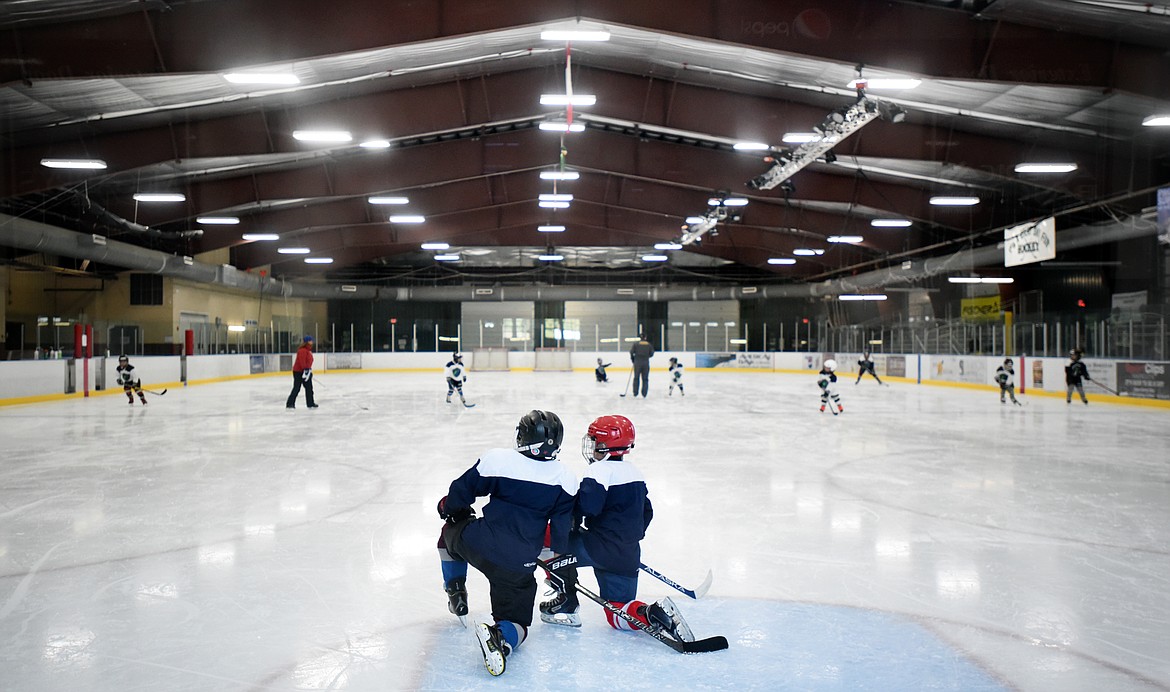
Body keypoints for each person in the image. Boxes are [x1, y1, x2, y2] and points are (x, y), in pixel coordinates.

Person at [436, 410, 578, 677]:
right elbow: (560, 536)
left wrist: (449, 508)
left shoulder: (498, 460)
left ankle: (455, 590)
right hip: (518, 564)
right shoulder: (566, 479)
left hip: (478, 543)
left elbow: (461, 491)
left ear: (524, 436)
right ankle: (501, 638)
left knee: (448, 535)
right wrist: (562, 575)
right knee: (518, 624)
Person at [539, 415, 693, 642]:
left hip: (595, 547)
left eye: (593, 440)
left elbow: (588, 507)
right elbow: (647, 513)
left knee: (541, 539)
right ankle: (652, 613)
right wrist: (625, 540)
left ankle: (565, 600)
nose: (590, 445)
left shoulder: (598, 471)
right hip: (627, 554)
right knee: (618, 613)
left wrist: (571, 511)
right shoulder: (635, 473)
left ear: (603, 445)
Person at [286, 335, 317, 409]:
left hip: (306, 371)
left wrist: (308, 371)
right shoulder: (302, 351)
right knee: (297, 388)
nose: (312, 342)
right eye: (311, 340)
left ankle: (310, 403)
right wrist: (305, 370)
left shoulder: (308, 350)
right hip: (299, 372)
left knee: (309, 388)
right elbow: (302, 362)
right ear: (307, 342)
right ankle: (290, 403)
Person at [629, 333, 654, 397]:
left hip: (637, 362)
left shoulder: (636, 344)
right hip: (645, 362)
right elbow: (651, 353)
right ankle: (644, 393)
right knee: (645, 379)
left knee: (636, 378)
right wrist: (646, 356)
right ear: (645, 338)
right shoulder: (649, 345)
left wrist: (633, 359)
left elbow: (631, 352)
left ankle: (635, 393)